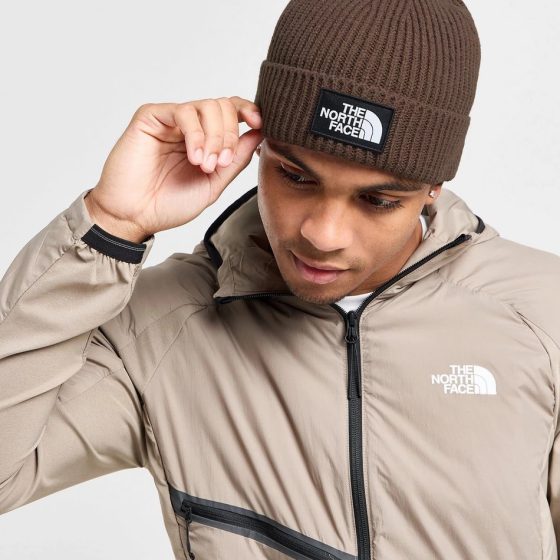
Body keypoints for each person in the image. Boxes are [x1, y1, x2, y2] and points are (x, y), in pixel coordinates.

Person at [1, 0, 559, 558]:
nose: (323, 234)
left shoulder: (541, 313)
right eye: (295, 176)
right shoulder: (161, 328)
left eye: (378, 200)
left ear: (433, 187)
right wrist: (110, 224)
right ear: (258, 146)